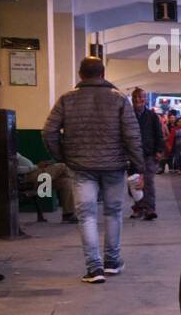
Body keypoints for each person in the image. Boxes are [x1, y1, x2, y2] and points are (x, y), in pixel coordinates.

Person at [42, 56, 143, 283]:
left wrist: (63, 156)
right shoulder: (119, 99)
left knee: (86, 215)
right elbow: (132, 135)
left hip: (81, 167)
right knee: (113, 212)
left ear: (80, 74)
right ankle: (112, 262)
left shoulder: (66, 100)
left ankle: (94, 268)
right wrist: (138, 166)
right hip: (114, 166)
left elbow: (48, 132)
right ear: (103, 74)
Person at [131, 88, 163, 220]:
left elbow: (159, 134)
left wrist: (159, 151)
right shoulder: (128, 115)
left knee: (148, 182)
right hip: (132, 154)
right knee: (134, 184)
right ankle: (138, 207)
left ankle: (150, 209)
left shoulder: (152, 116)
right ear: (132, 99)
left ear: (145, 99)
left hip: (148, 153)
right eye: (136, 97)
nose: (138, 99)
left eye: (141, 97)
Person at [16, 152, 76, 221]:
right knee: (62, 166)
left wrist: (39, 167)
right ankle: (81, 184)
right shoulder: (4, 152)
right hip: (26, 177)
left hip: (34, 174)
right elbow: (13, 169)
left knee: (66, 182)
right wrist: (36, 167)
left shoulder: (11, 150)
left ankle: (68, 214)